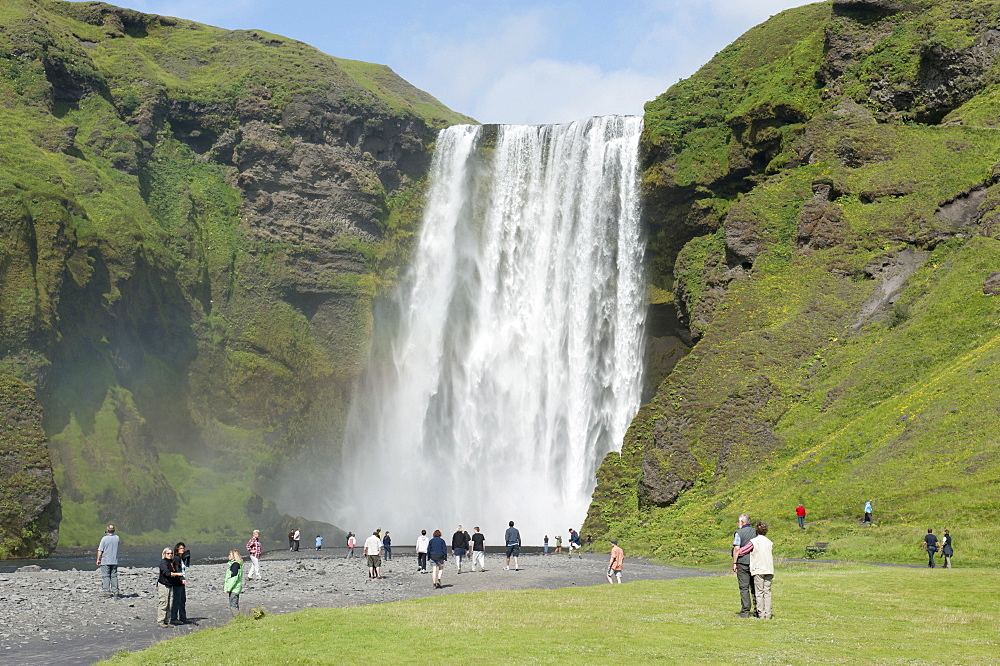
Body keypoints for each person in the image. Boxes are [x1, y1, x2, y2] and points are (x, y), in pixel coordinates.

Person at [732, 513, 757, 618]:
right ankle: (758, 610)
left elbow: (737, 548)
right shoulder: (756, 532)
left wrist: (734, 562)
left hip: (742, 562)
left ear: (742, 522)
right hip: (755, 562)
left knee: (744, 587)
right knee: (755, 587)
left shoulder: (739, 533)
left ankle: (745, 611)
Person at [748, 522, 774, 619]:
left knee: (759, 592)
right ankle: (768, 613)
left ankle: (761, 614)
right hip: (769, 568)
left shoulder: (754, 541)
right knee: (767, 592)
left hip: (759, 568)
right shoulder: (769, 542)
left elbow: (745, 550)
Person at [156, 547, 183, 628]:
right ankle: (160, 621)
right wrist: (178, 574)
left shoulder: (172, 562)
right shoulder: (163, 562)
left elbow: (176, 570)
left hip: (171, 585)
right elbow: (167, 573)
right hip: (164, 585)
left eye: (171, 553)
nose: (170, 555)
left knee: (170, 603)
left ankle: (167, 621)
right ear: (164, 554)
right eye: (168, 553)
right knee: (163, 603)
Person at [96, 524, 120, 598]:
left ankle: (106, 591)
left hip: (106, 560)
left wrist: (98, 559)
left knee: (106, 576)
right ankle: (115, 591)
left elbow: (100, 550)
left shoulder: (104, 539)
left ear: (107, 530)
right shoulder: (117, 538)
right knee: (114, 576)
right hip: (114, 560)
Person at [170, 542, 190, 624]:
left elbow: (186, 566)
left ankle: (183, 617)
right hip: (178, 581)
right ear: (177, 549)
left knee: (182, 600)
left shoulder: (181, 559)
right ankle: (174, 618)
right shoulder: (177, 558)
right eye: (181, 548)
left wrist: (186, 557)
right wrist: (181, 578)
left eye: (183, 548)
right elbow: (177, 569)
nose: (183, 550)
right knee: (177, 600)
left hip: (181, 581)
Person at [224, 549, 244, 616]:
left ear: (234, 556)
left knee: (233, 606)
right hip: (235, 588)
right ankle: (238, 619)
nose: (228, 556)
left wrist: (228, 588)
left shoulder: (235, 565)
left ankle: (238, 620)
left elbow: (233, 578)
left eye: (230, 555)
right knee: (234, 605)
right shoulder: (236, 564)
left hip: (234, 589)